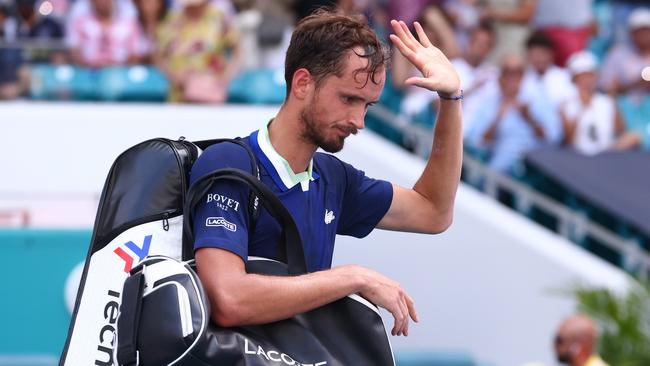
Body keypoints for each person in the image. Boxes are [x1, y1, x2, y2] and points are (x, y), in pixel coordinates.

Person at [190, 10, 462, 337]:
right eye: (348, 98)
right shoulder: (229, 163)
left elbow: (434, 212)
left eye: (367, 106)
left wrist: (450, 99)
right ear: (303, 83)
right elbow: (228, 299)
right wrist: (351, 277)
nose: (359, 121)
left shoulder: (333, 177)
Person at [466, 54, 561, 174]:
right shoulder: (491, 102)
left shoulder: (537, 98)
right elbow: (476, 142)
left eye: (517, 73)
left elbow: (553, 138)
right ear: (501, 77)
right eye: (507, 73)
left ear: (522, 76)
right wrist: (497, 119)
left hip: (530, 166)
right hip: (497, 167)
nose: (512, 78)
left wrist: (529, 118)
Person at [155, 0, 240, 103]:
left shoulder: (218, 19)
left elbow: (237, 52)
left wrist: (224, 77)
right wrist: (173, 76)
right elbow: (158, 56)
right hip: (179, 96)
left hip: (211, 93)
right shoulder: (171, 20)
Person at [560, 51, 639, 155]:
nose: (587, 80)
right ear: (574, 79)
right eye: (582, 76)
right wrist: (582, 109)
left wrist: (614, 100)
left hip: (605, 157)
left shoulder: (607, 101)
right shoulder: (566, 105)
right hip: (578, 158)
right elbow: (568, 141)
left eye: (590, 76)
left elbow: (620, 130)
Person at [66, 0, 141, 67]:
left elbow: (135, 54)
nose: (102, 2)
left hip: (121, 73)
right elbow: (75, 52)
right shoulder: (81, 22)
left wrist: (119, 68)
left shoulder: (128, 23)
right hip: (89, 74)